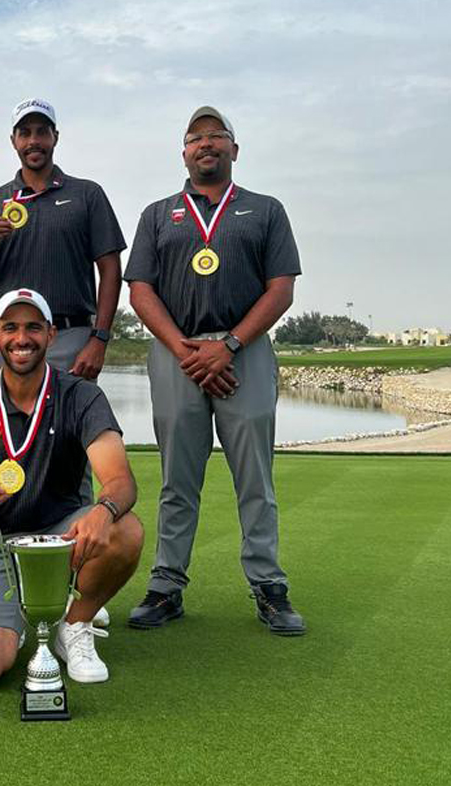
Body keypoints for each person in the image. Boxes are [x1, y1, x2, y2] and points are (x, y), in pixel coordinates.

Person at [123, 106, 306, 635]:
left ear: (234, 149)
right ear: (183, 153)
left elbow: (281, 288)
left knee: (255, 478)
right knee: (178, 479)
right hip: (176, 352)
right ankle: (166, 586)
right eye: (195, 138)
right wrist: (187, 350)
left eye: (216, 136)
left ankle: (269, 587)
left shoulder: (264, 210)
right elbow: (140, 290)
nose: (206, 144)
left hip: (242, 351)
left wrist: (227, 345)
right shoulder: (159, 214)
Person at [0, 289, 143, 688]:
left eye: (33, 327)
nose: (21, 338)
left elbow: (120, 481)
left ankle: (74, 625)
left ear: (51, 335)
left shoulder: (81, 395)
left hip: (62, 537)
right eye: (10, 327)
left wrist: (103, 510)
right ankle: (21, 619)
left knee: (125, 528)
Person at [0, 98, 125, 381]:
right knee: (2, 425)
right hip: (6, 342)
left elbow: (110, 270)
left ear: (55, 137)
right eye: (25, 133)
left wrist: (99, 339)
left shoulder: (87, 195)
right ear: (13, 140)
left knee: (71, 425)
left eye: (42, 132)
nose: (34, 141)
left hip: (70, 338)